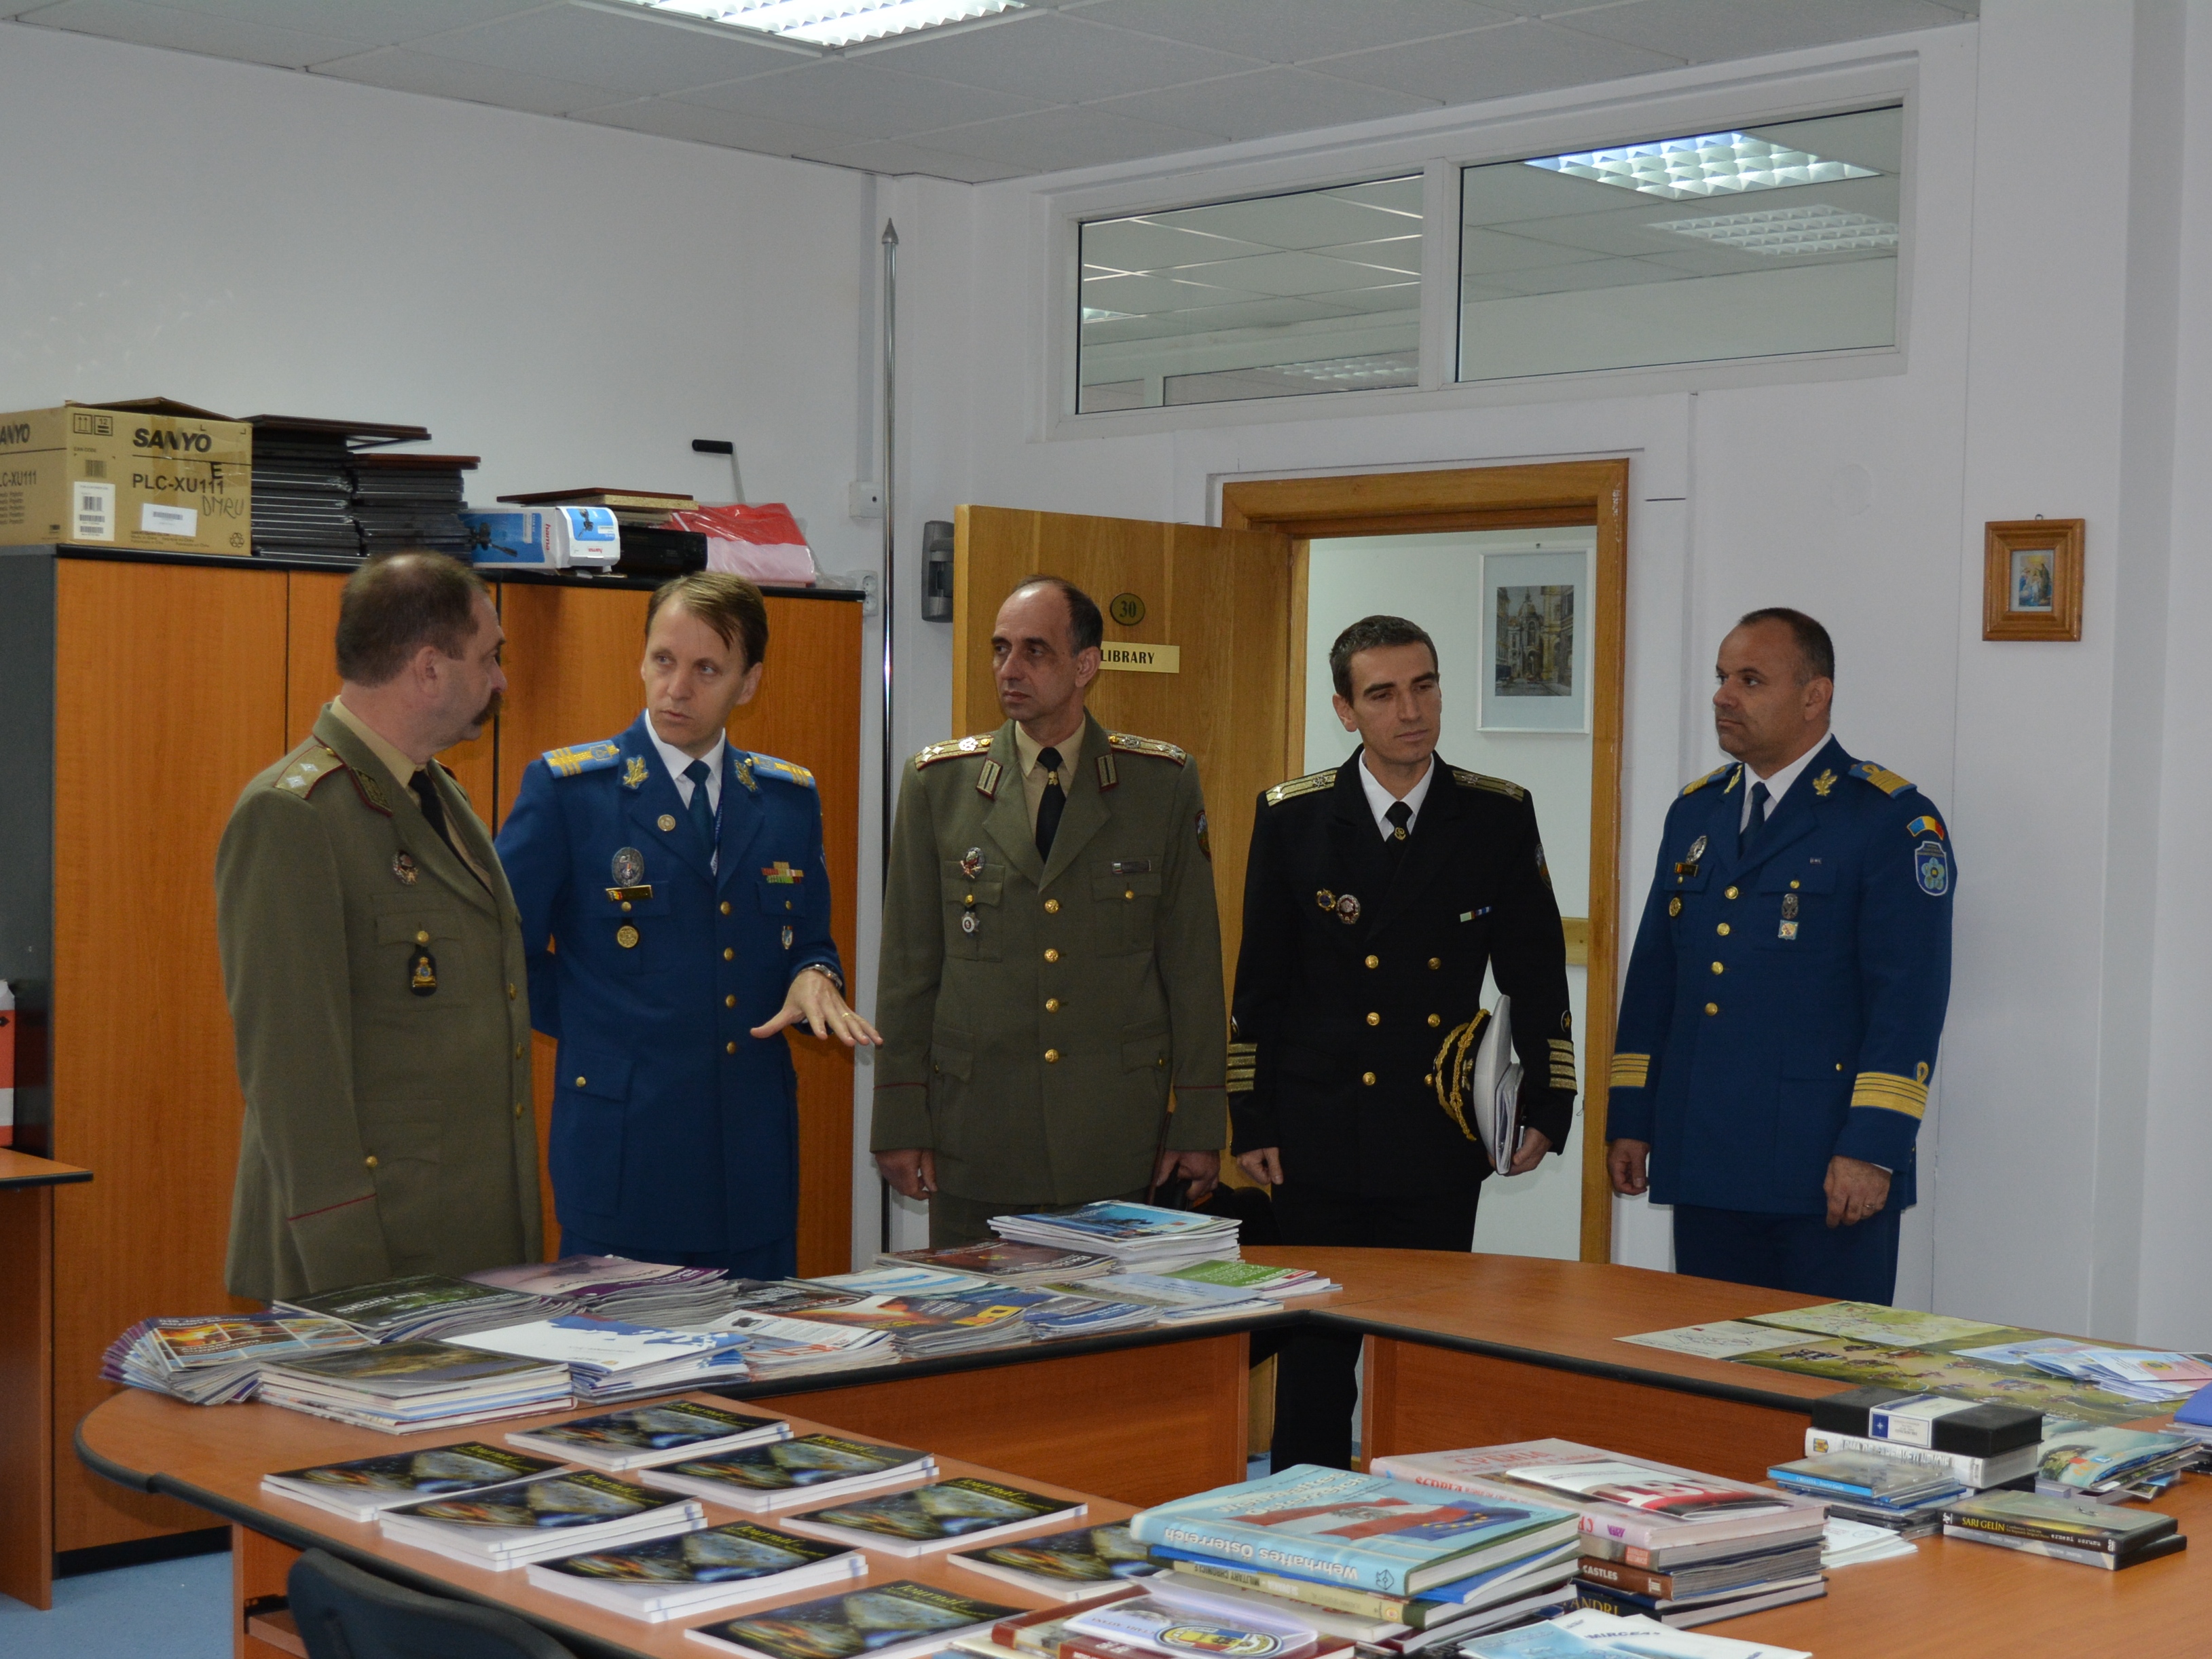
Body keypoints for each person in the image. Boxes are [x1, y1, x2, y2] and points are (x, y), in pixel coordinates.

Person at [1231, 614, 1577, 1470]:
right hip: (1317, 1131)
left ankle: (1423, 1514)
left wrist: (1549, 1103)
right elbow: (1260, 984)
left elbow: (1535, 973)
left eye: (1424, 686)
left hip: (1433, 1133)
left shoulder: (1494, 814)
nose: (1410, 711)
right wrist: (1252, 1115)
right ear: (1346, 710)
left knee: (1425, 1348)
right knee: (1316, 1357)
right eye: (1383, 694)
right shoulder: (1294, 815)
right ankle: (1299, 1510)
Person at [497, 572, 877, 1277]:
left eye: (707, 669)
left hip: (750, 1164)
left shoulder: (787, 799)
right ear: (641, 659)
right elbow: (500, 954)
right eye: (664, 660)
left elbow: (810, 941)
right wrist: (601, 1022)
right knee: (615, 1345)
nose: (677, 688)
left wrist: (816, 976)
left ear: (748, 682)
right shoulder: (572, 792)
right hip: (626, 1152)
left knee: (758, 1344)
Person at [1606, 608, 1954, 1303]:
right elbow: (1655, 977)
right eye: (1721, 677)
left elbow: (1908, 1002)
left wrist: (1872, 1146)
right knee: (1705, 1356)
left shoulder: (1887, 819)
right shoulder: (1696, 812)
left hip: (1824, 1166)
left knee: (1826, 1362)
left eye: (1750, 679)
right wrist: (1632, 1117)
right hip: (1706, 1154)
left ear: (1814, 695)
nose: (1723, 696)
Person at [217, 552, 537, 1302]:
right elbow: (294, 1080)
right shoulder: (293, 815)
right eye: (489, 657)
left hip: (464, 1243)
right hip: (368, 1261)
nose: (500, 681)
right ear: (428, 668)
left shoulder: (437, 793)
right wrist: (351, 1280)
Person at [872, 576, 1226, 1248]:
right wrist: (899, 1120)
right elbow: (908, 971)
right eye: (1000, 649)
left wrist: (1200, 1121)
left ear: (1085, 665)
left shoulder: (1159, 784)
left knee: (1115, 1316)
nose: (1010, 669)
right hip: (978, 1135)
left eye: (1035, 651)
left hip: (1115, 1136)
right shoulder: (938, 785)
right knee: (973, 1312)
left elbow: (1192, 966)